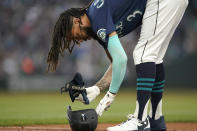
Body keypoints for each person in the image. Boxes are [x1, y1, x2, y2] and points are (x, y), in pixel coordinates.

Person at [47, 0, 188, 130]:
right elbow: (116, 63)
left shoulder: (96, 16)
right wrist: (97, 88)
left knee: (143, 55)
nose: (78, 41)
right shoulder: (96, 22)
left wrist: (111, 95)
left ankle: (140, 120)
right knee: (154, 57)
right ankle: (156, 120)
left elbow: (121, 60)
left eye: (74, 35)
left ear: (77, 21)